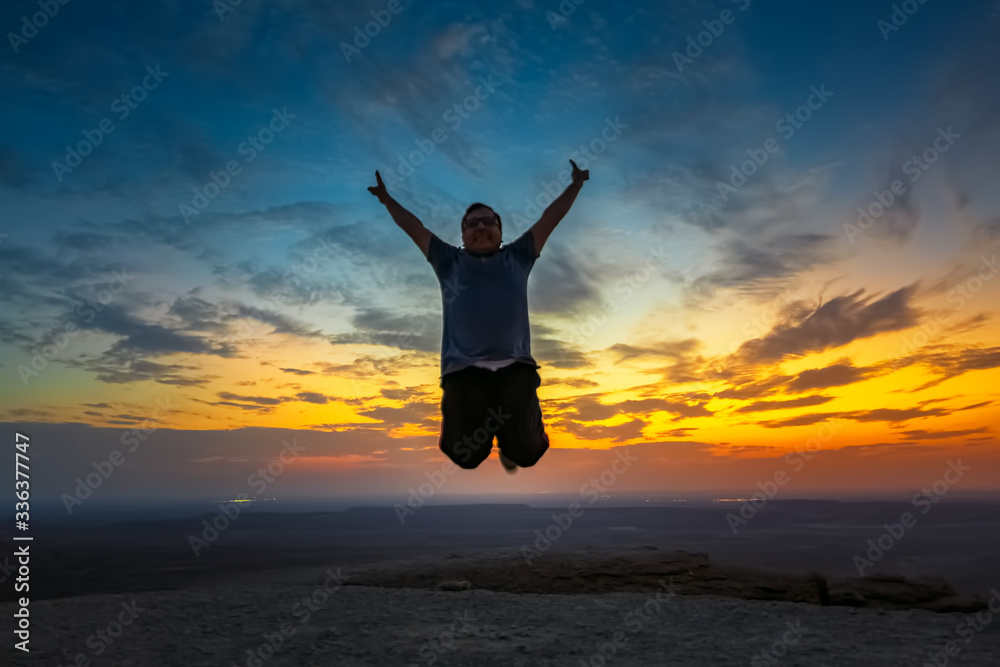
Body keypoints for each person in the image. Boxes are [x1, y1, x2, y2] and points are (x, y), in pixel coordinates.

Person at [368, 160, 589, 472]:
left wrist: (576, 183)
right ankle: (494, 439)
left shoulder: (518, 256)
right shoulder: (448, 262)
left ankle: (511, 449)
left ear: (500, 231)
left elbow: (550, 218)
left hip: (515, 372)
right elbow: (413, 226)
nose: (481, 227)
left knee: (526, 454)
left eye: (488, 222)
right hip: (464, 375)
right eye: (472, 224)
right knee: (464, 456)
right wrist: (386, 199)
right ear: (462, 235)